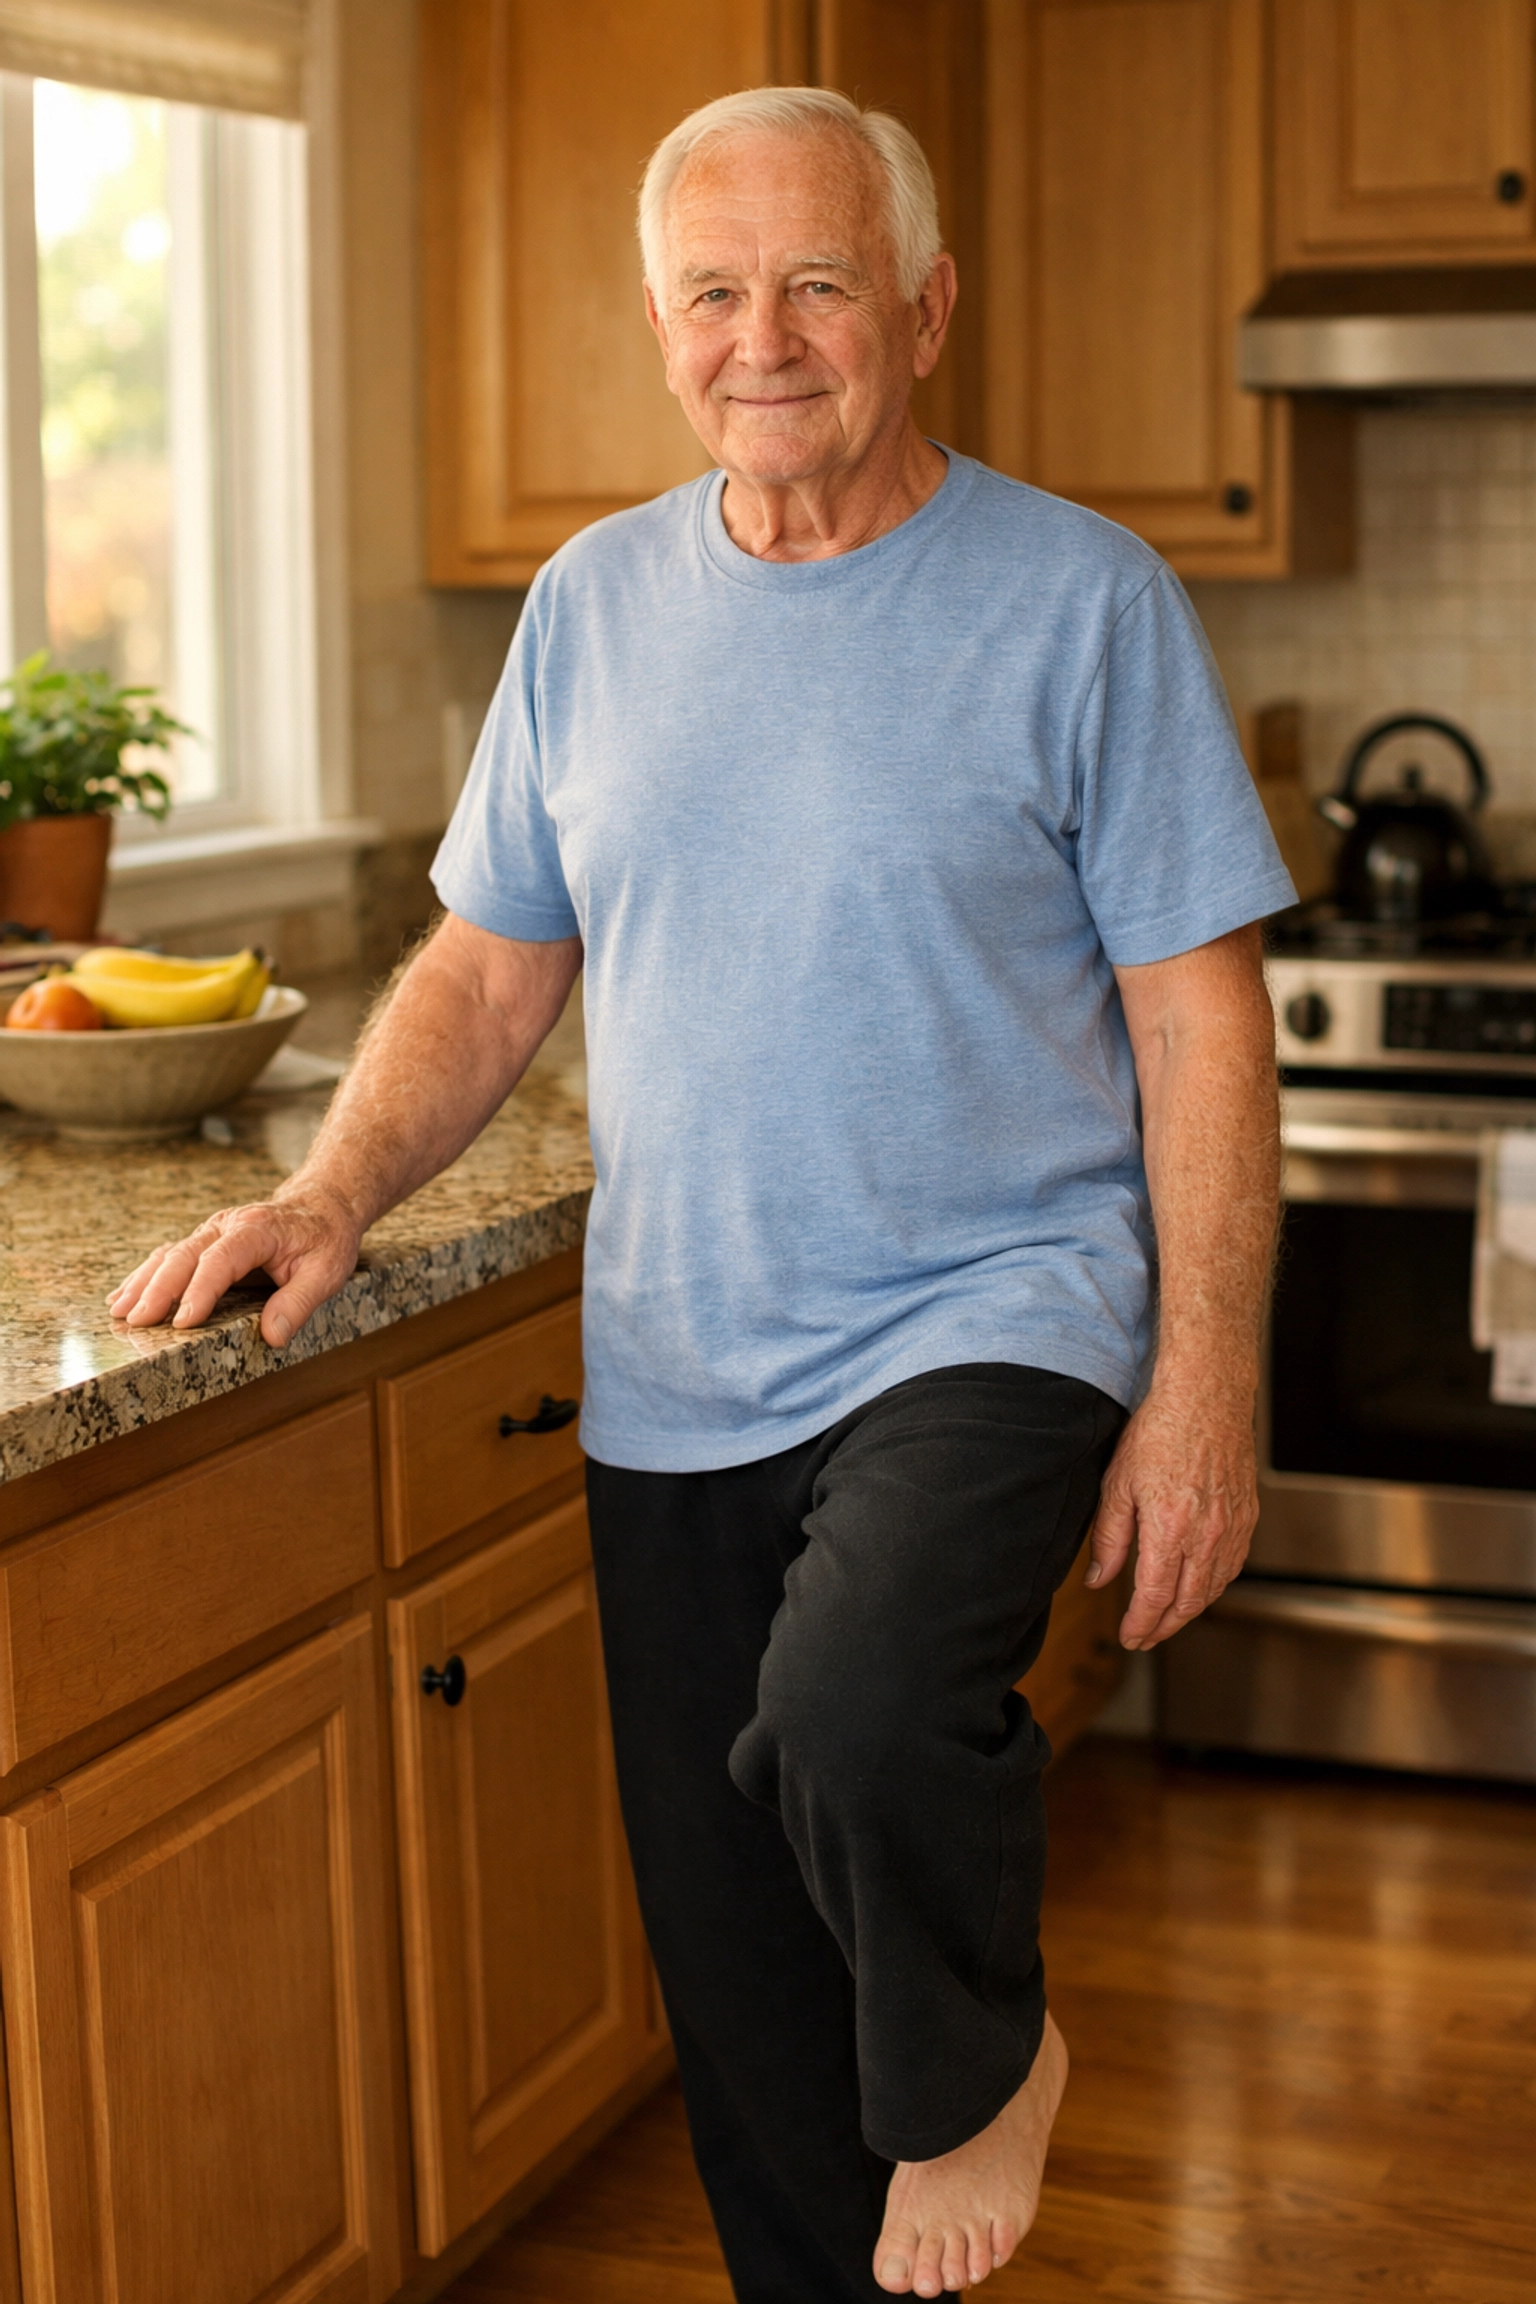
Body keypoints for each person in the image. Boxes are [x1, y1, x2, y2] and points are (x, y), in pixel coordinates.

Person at [110, 86, 1290, 2304]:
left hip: (993, 1313)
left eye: (822, 282)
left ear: (926, 309)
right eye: (719, 291)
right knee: (747, 2010)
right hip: (679, 1363)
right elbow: (485, 961)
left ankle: (980, 2061)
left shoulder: (1081, 602)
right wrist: (337, 1191)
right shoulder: (588, 606)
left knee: (853, 1711)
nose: (770, 337)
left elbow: (1200, 1022)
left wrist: (1205, 1380)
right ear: (662, 328)